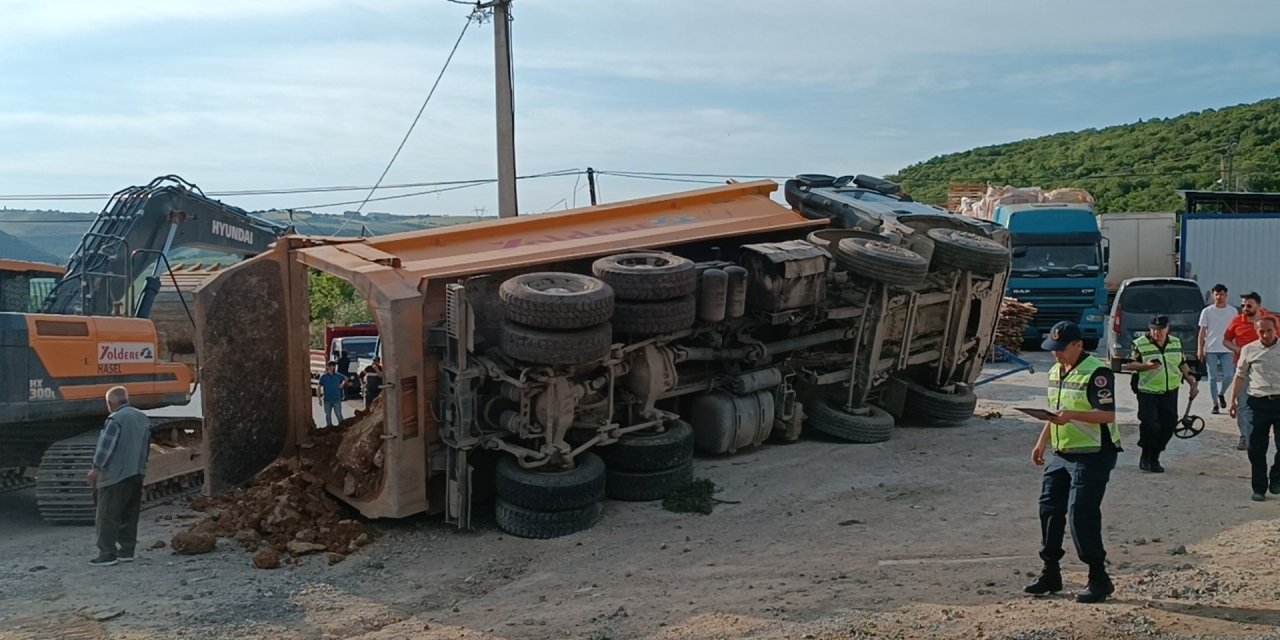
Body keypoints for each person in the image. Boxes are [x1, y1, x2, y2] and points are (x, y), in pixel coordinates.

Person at [1024, 321, 1120, 603]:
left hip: (1094, 453)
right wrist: (1042, 441)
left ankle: (1098, 577)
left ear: (1078, 345)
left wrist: (1072, 416)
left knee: (1082, 513)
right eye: (1053, 350)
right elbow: (1055, 412)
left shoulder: (1098, 373)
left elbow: (1108, 415)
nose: (1056, 355)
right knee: (1049, 509)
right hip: (1062, 452)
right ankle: (1050, 571)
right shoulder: (1056, 371)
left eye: (1061, 349)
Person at [85, 386, 152, 567]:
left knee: (107, 515)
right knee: (130, 514)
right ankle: (127, 551)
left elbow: (106, 447)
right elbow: (146, 447)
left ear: (110, 403)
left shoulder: (115, 419)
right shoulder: (142, 417)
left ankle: (107, 553)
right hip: (136, 473)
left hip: (115, 476)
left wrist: (95, 469)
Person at [1125, 315, 1198, 472]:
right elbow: (1129, 364)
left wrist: (1192, 382)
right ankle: (1146, 456)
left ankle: (1155, 456)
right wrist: (1146, 366)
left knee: (1169, 424)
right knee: (1150, 425)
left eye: (1160, 330)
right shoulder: (1140, 343)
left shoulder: (1176, 343)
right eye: (1153, 330)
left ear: (1167, 328)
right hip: (1147, 391)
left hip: (1170, 390)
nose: (1157, 333)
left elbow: (1182, 363)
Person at [1229, 316, 1280, 502]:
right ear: (1256, 332)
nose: (1265, 335)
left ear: (1276, 330)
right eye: (1261, 331)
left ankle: (1276, 476)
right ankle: (1259, 487)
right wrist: (1233, 400)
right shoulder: (1249, 350)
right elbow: (1240, 375)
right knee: (1256, 448)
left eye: (1269, 331)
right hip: (1258, 403)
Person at [1225, 292, 1274, 451]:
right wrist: (1238, 349)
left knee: (1264, 404)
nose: (1245, 308)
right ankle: (1245, 437)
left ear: (1258, 306)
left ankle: (1260, 435)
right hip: (1243, 368)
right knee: (1243, 405)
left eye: (1249, 305)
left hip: (1266, 370)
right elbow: (1225, 340)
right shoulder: (1237, 321)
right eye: (1243, 305)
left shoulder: (1270, 321)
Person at [1198, 284, 1237, 417]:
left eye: (1221, 294)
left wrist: (1237, 347)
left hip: (1227, 348)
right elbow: (1202, 332)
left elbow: (1235, 330)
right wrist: (1200, 349)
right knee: (1212, 378)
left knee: (1229, 375)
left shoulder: (1233, 311)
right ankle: (1215, 403)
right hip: (1211, 349)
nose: (1219, 297)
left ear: (1226, 295)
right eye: (1216, 294)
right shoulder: (1207, 311)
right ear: (1213, 295)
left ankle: (1221, 393)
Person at [318, 361, 347, 427]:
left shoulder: (338, 376)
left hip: (336, 399)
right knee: (328, 415)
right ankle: (329, 427)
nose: (333, 368)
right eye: (331, 366)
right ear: (328, 367)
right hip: (327, 399)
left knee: (339, 415)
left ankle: (342, 427)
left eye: (334, 366)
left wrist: (342, 384)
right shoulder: (323, 377)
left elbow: (346, 378)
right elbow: (319, 387)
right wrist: (319, 398)